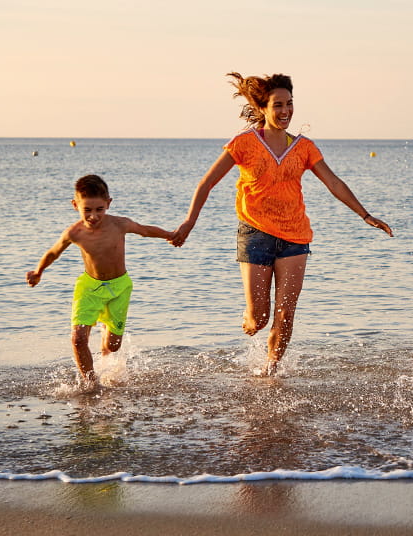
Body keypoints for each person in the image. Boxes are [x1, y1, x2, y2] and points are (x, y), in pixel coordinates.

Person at [172, 72, 393, 376]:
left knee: (286, 314)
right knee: (259, 319)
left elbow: (333, 182)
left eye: (289, 104)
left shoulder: (304, 147)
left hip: (295, 237)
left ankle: (270, 371)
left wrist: (365, 215)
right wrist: (189, 221)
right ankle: (250, 319)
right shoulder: (243, 143)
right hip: (255, 234)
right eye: (278, 105)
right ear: (263, 108)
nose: (285, 111)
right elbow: (207, 183)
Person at [26, 174, 175, 389]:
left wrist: (170, 235)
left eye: (99, 209)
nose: (93, 216)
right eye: (87, 210)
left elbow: (145, 230)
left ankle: (106, 342)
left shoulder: (119, 224)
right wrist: (39, 271)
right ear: (75, 205)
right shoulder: (74, 232)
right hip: (89, 288)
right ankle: (90, 385)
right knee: (78, 339)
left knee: (113, 347)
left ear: (108, 204)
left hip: (119, 288)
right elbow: (53, 252)